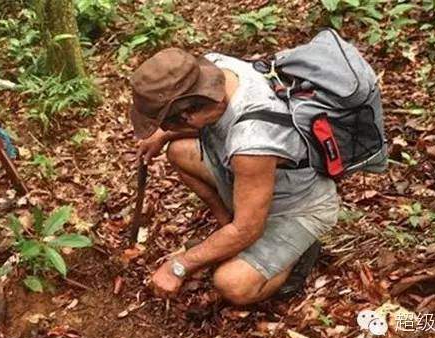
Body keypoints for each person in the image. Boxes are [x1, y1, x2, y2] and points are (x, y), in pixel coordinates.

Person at [130, 48, 339, 305]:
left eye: (166, 123)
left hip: (297, 206)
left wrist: (179, 266)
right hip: (255, 182)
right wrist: (164, 134)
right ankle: (225, 225)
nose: (164, 128)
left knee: (232, 284)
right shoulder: (215, 67)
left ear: (187, 117)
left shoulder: (253, 140)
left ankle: (300, 254)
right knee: (179, 151)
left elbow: (248, 229)